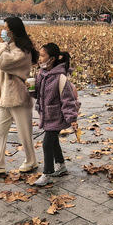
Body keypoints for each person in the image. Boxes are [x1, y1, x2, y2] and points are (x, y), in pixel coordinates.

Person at [0, 17, 39, 177]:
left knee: (25, 133)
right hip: (5, 98)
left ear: (13, 31)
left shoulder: (23, 52)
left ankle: (31, 160)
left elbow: (3, 63)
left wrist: (2, 45)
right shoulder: (8, 49)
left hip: (19, 98)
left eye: (6, 28)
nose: (3, 31)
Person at [31, 43, 80, 187]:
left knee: (47, 143)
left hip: (57, 116)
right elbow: (37, 94)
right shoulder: (41, 74)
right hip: (46, 115)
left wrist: (72, 119)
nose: (40, 59)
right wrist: (30, 89)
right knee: (53, 142)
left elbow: (68, 100)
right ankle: (61, 165)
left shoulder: (60, 78)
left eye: (42, 56)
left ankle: (47, 173)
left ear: (52, 59)